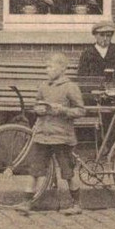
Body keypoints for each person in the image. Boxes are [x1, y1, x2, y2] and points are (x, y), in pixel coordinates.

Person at [19, 52, 85, 215]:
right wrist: (38, 110)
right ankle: (27, 202)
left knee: (67, 172)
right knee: (35, 169)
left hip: (61, 136)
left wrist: (63, 110)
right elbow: (37, 105)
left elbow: (81, 110)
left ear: (63, 68)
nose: (47, 70)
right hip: (43, 135)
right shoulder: (43, 86)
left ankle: (76, 204)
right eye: (46, 67)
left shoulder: (70, 87)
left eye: (51, 66)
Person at [77, 21, 115, 114]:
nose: (105, 38)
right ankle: (97, 127)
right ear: (95, 35)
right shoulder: (87, 54)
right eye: (102, 35)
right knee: (85, 100)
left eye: (108, 35)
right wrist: (92, 89)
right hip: (95, 94)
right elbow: (82, 77)